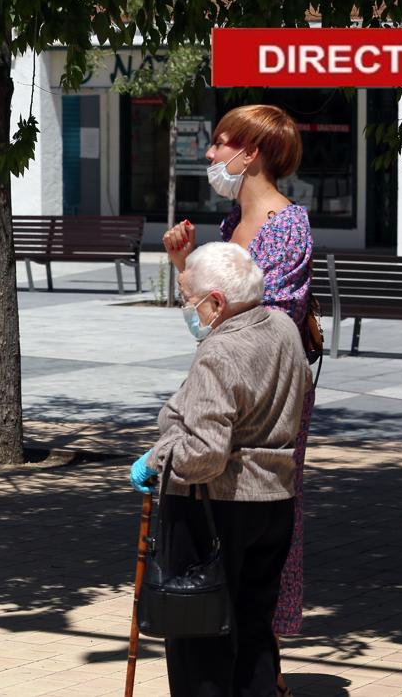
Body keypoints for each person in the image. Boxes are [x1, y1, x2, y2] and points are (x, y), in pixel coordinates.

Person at [161, 104, 313, 696]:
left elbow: (252, 328)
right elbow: (216, 321)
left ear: (252, 153)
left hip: (262, 408)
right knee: (226, 560)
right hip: (228, 396)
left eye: (222, 142)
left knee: (244, 553)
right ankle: (242, 666)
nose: (210, 153)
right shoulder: (230, 225)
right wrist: (185, 267)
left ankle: (254, 670)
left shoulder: (286, 225)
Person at [130, 242, 311, 696]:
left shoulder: (221, 350)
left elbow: (205, 454)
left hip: (217, 508)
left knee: (200, 640)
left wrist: (155, 460)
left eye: (187, 298)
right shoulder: (284, 326)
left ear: (216, 303)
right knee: (253, 628)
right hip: (274, 501)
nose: (184, 307)